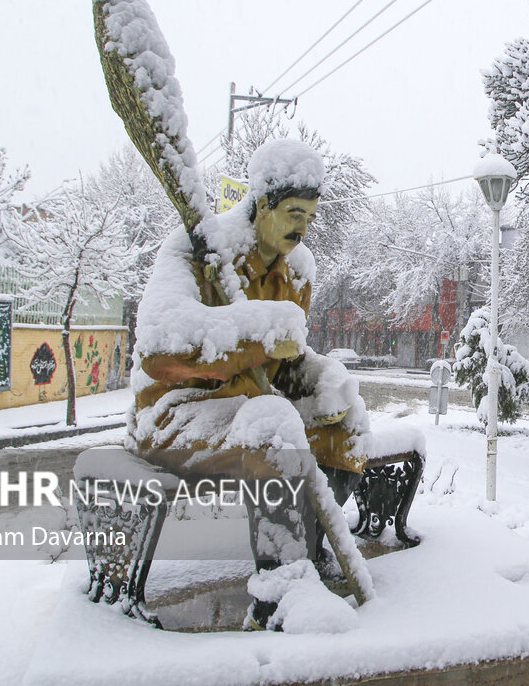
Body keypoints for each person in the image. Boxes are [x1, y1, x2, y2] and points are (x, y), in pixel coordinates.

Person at [127, 138, 369, 628]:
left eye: (311, 214)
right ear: (261, 205)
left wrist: (320, 377)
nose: (303, 226)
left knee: (348, 424)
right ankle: (278, 597)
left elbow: (284, 361)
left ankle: (307, 552)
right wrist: (258, 332)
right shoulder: (197, 247)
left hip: (250, 410)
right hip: (176, 417)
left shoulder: (297, 273)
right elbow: (158, 349)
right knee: (272, 424)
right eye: (293, 212)